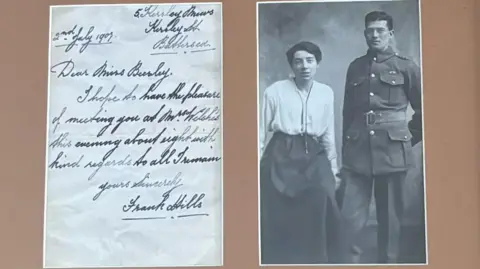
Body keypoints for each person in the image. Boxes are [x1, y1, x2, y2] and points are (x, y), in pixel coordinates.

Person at [337, 11, 423, 263]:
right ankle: (348, 263)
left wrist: (407, 138)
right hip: (358, 151)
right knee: (349, 217)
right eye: (370, 31)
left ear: (390, 34)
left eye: (380, 30)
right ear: (365, 34)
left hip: (393, 151)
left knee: (390, 219)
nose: (374, 35)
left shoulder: (406, 66)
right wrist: (346, 147)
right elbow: (347, 112)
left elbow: (426, 108)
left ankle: (388, 263)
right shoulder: (355, 67)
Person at [259, 41, 341, 265]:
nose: (304, 66)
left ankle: (317, 259)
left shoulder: (325, 92)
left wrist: (333, 169)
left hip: (314, 154)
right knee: (279, 205)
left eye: (309, 60)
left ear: (317, 64)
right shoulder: (274, 91)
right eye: (298, 61)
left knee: (323, 196)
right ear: (291, 66)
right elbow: (259, 130)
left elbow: (328, 133)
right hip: (281, 152)